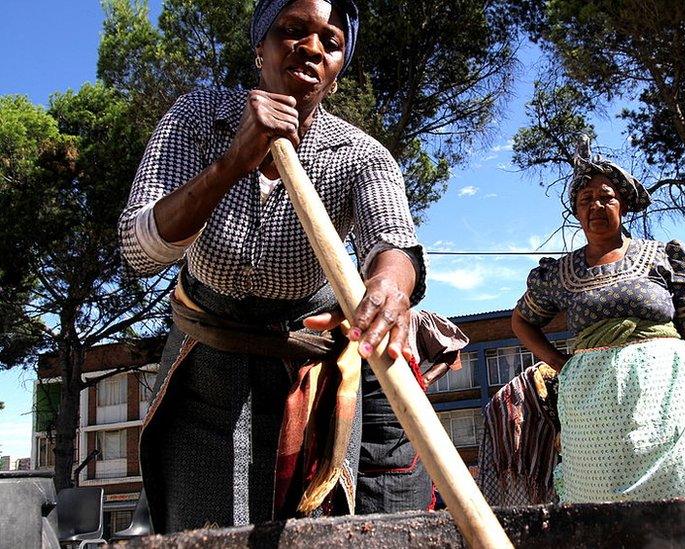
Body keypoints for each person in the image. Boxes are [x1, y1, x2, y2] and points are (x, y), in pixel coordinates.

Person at [118, 0, 426, 533]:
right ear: (259, 46)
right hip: (207, 373)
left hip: (307, 381)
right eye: (292, 30)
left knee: (311, 535)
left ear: (339, 68)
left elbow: (393, 242)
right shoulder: (197, 118)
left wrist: (389, 288)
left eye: (331, 42)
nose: (311, 48)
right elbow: (139, 249)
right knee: (206, 535)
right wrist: (232, 161)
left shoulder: (361, 155)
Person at [510, 136, 685, 503]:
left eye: (606, 197)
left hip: (670, 396)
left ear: (624, 205)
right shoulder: (561, 273)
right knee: (599, 501)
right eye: (586, 200)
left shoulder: (662, 255)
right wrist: (559, 364)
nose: (596, 206)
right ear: (576, 212)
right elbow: (521, 322)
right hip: (592, 407)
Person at [356, 310, 469, 514]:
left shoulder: (411, 318)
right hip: (355, 429)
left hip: (401, 436)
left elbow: (452, 350)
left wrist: (424, 380)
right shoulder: (343, 319)